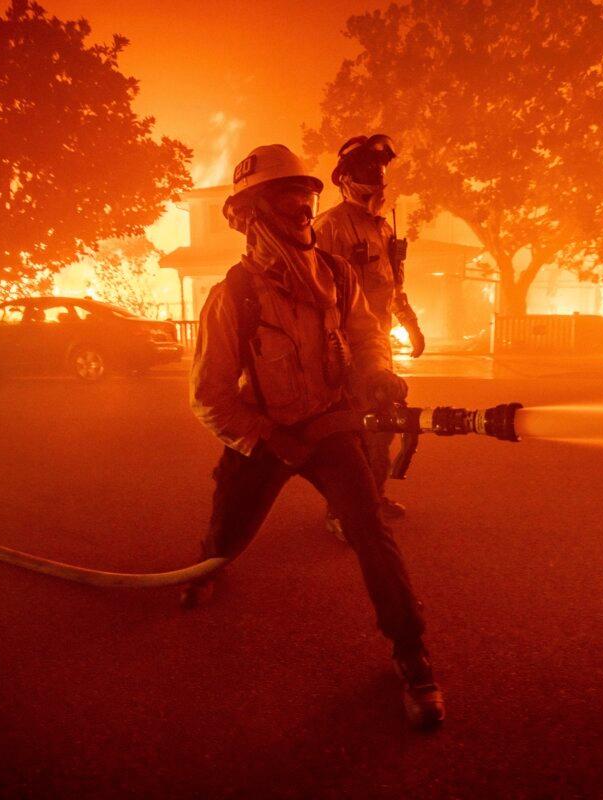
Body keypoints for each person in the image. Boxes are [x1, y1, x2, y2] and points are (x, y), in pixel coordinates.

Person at [184, 143, 445, 729]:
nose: (304, 212)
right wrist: (270, 440)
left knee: (371, 533)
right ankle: (205, 571)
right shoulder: (234, 296)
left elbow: (367, 334)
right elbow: (209, 397)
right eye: (288, 200)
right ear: (251, 214)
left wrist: (377, 374)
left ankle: (412, 654)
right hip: (265, 433)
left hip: (328, 427)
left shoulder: (335, 274)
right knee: (227, 534)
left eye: (306, 200)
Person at [313, 134, 425, 532]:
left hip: (379, 347)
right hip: (345, 350)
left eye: (379, 171)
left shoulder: (382, 229)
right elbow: (316, 295)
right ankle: (341, 512)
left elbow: (393, 284)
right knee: (353, 436)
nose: (376, 178)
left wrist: (410, 324)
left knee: (384, 426)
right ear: (344, 178)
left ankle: (372, 498)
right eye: (366, 171)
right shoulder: (327, 228)